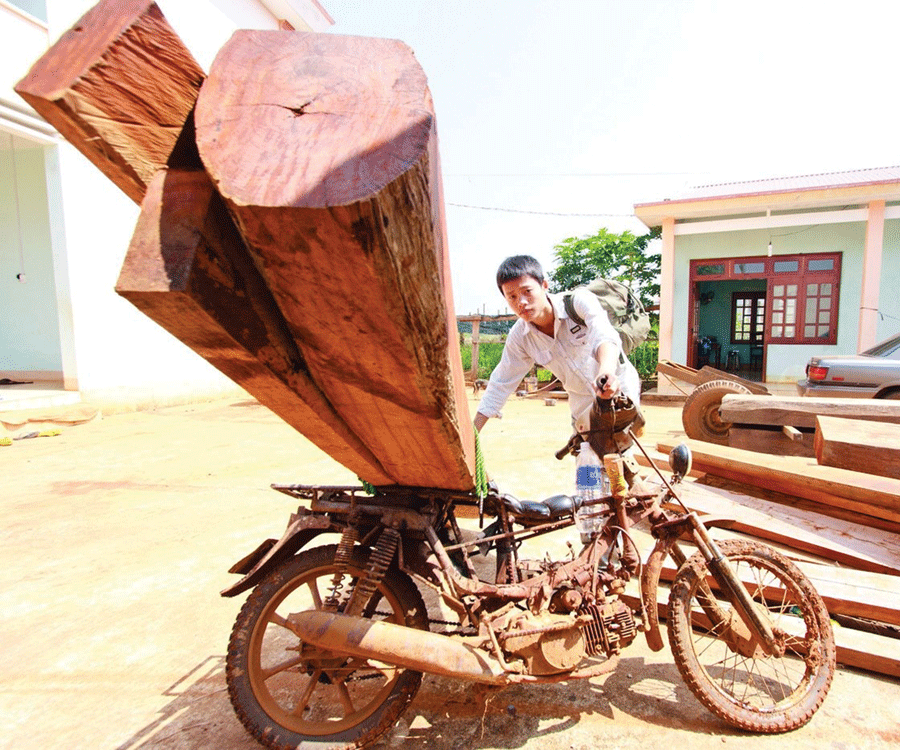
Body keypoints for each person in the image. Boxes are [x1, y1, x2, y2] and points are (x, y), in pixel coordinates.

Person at [474, 255, 640, 437]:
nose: (520, 302)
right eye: (512, 296)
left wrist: (606, 372)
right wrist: (473, 432)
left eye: (527, 291)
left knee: (619, 451)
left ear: (544, 285)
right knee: (587, 460)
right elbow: (501, 383)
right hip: (582, 402)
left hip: (619, 388)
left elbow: (605, 336)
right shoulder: (520, 337)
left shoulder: (577, 302)